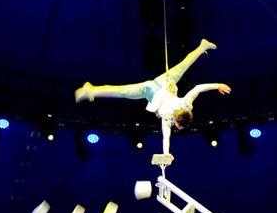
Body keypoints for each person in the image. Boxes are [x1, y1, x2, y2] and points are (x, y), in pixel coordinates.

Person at [75, 39, 231, 158]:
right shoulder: (168, 116)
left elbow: (197, 88)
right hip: (152, 88)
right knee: (121, 92)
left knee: (184, 65)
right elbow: (166, 136)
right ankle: (91, 90)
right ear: (177, 120)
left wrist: (218, 85)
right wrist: (165, 154)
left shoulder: (186, 104)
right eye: (179, 126)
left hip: (164, 83)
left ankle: (202, 46)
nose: (179, 128)